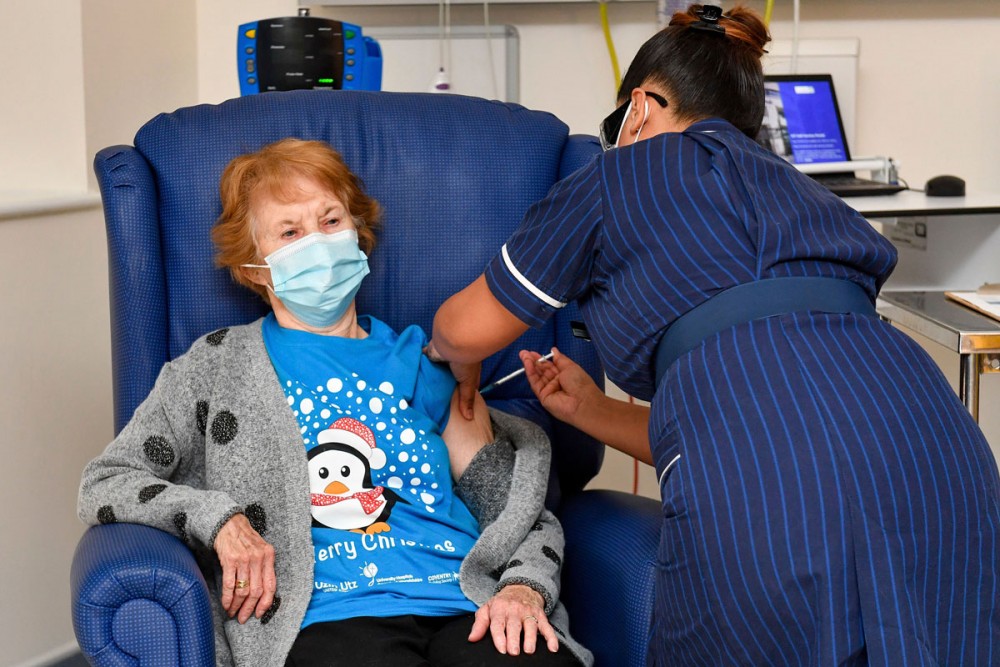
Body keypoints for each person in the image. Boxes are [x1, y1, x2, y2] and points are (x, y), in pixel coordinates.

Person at [428, 4, 1000, 666]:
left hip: (769, 489)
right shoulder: (806, 193)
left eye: (618, 125)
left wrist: (450, 359)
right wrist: (590, 410)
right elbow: (779, 409)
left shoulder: (616, 177)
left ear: (638, 107)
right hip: (939, 455)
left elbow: (463, 326)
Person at [78, 138, 591, 667]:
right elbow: (106, 483)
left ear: (358, 236)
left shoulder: (425, 364)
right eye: (290, 232)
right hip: (328, 615)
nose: (318, 245)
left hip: (465, 602)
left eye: (330, 222)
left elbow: (515, 512)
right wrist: (218, 519)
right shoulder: (215, 368)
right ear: (256, 267)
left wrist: (523, 590)